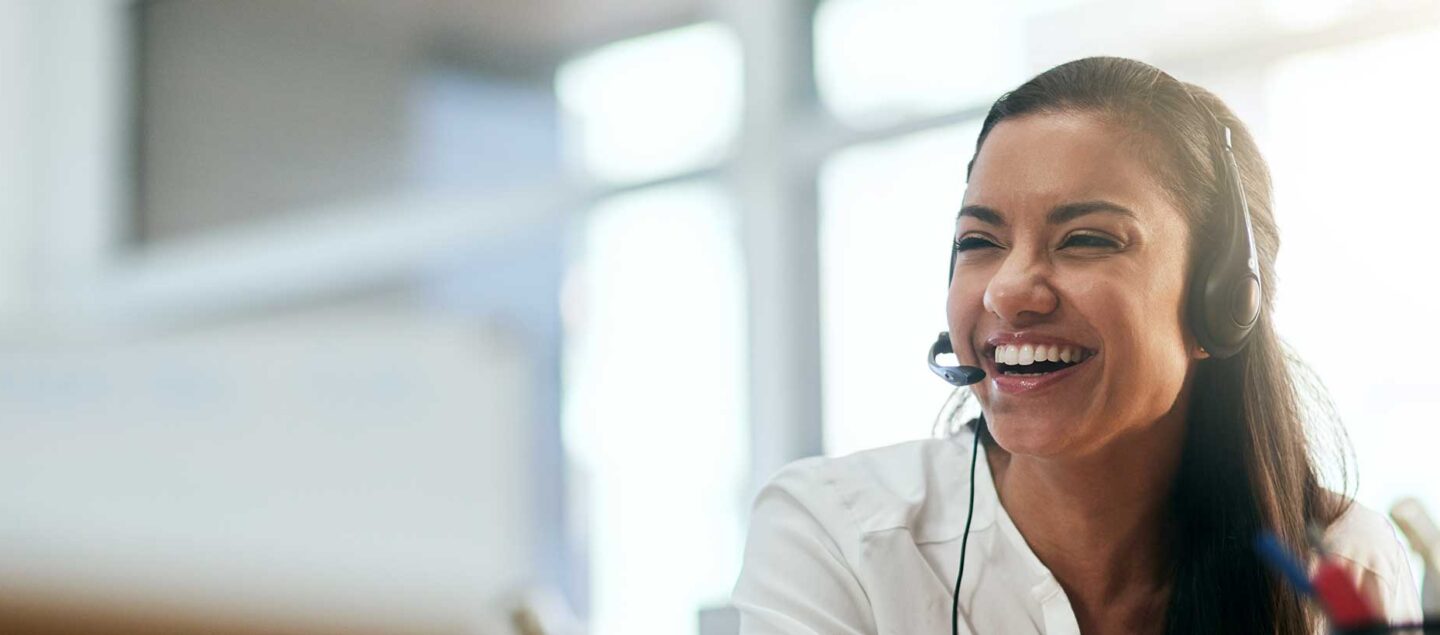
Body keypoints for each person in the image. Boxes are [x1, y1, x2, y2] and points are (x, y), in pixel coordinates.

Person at [730, 56, 1422, 634]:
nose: (1007, 290)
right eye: (980, 242)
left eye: (1086, 238)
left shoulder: (1338, 563)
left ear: (1222, 301)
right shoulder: (835, 537)